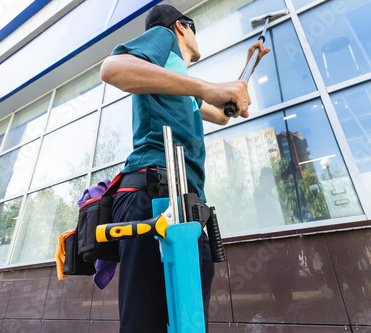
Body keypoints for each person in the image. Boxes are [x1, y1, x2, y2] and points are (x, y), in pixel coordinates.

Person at [100, 4, 270, 332]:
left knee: (188, 322)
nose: (195, 34)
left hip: (186, 203)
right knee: (146, 324)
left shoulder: (180, 81)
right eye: (193, 27)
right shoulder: (162, 39)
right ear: (181, 26)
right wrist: (207, 88)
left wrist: (248, 68)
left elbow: (223, 112)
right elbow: (113, 69)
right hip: (155, 190)